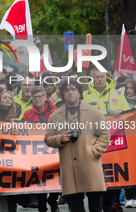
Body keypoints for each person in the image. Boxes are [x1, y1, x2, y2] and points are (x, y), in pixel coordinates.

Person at [45, 79, 110, 212]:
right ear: (62, 94)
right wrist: (60, 139)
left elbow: (104, 135)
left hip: (91, 164)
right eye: (67, 90)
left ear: (79, 93)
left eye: (73, 89)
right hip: (70, 168)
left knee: (95, 204)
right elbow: (48, 138)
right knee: (75, 206)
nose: (70, 93)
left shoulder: (94, 112)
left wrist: (94, 151)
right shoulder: (55, 116)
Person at [24, 86, 58, 212]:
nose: (37, 99)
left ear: (45, 97)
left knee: (55, 179)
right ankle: (42, 207)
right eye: (34, 97)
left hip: (54, 152)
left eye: (39, 96)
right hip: (37, 154)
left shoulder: (56, 112)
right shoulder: (28, 114)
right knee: (40, 180)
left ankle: (53, 201)